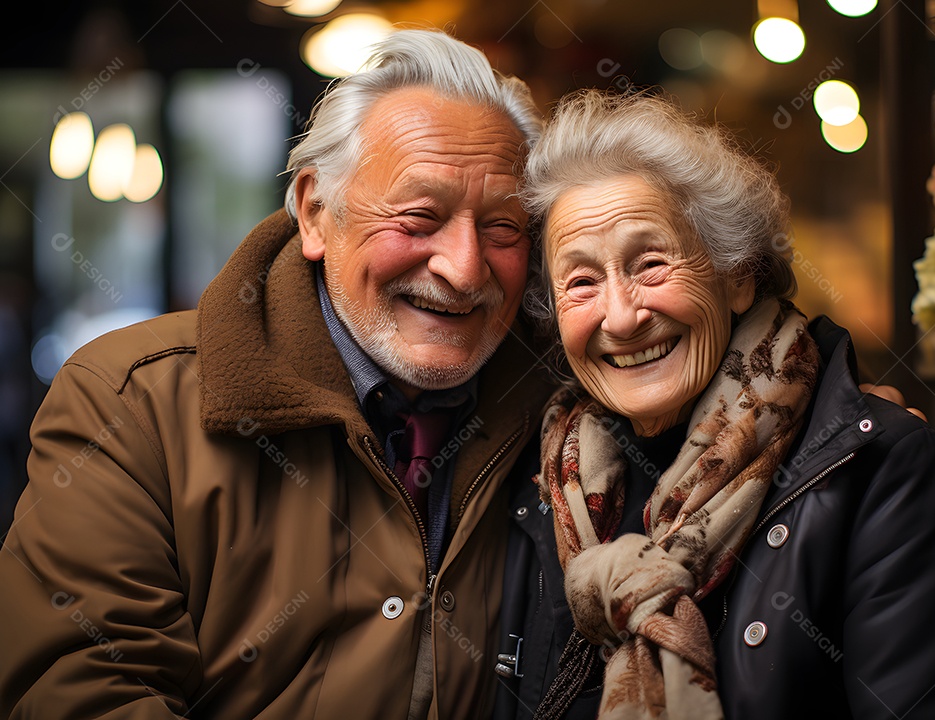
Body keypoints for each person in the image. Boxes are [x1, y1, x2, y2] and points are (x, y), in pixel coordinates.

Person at [0, 29, 556, 719]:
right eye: (419, 217)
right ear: (317, 213)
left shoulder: (565, 410)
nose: (465, 268)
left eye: (503, 228)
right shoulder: (132, 398)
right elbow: (79, 690)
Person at [495, 90, 935, 719]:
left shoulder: (880, 469)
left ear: (737, 275)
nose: (620, 316)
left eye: (651, 264)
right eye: (582, 282)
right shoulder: (542, 480)